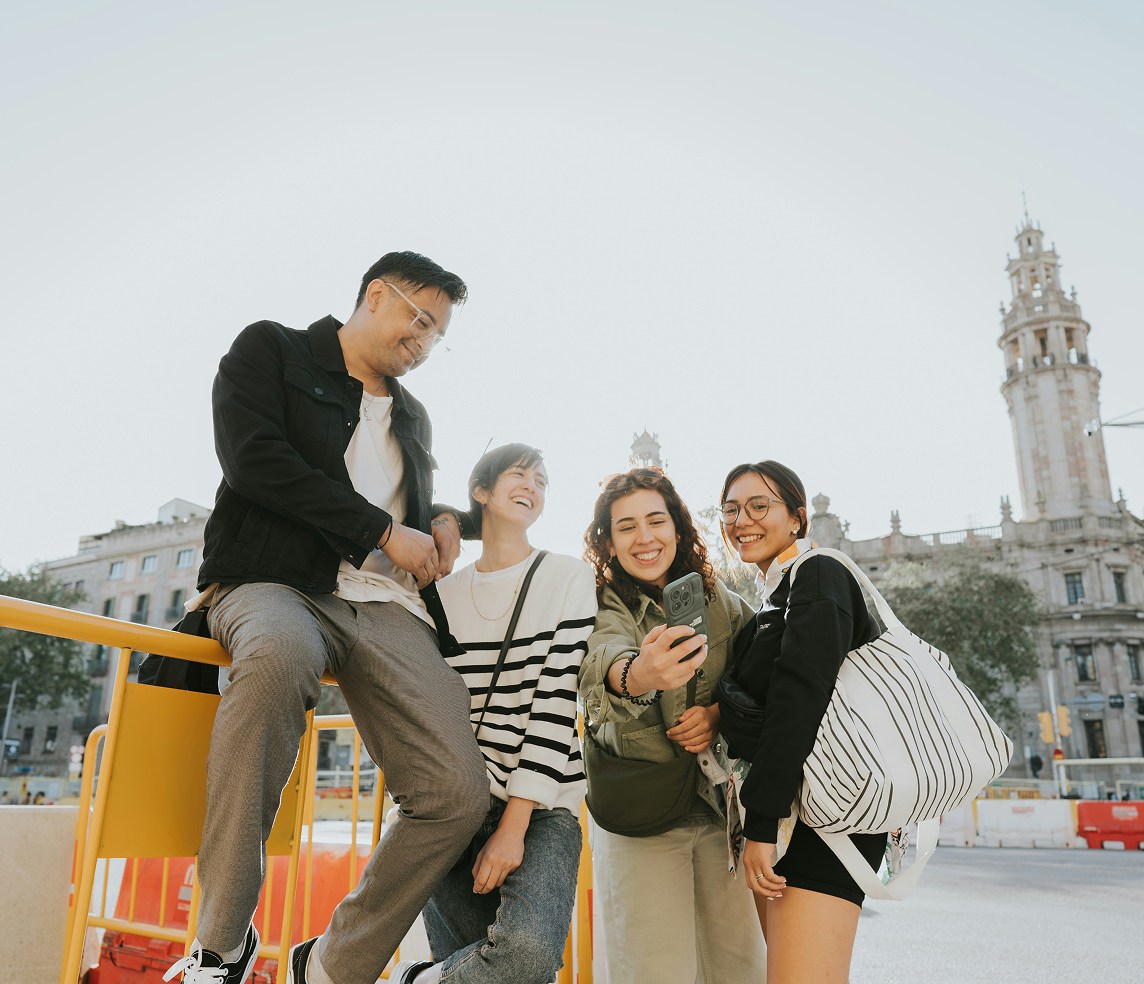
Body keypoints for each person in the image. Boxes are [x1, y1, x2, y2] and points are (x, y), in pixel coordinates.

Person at [165, 252, 490, 984]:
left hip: (380, 604)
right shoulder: (270, 349)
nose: (426, 341)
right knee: (279, 655)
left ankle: (333, 965)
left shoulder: (413, 414)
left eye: (439, 333)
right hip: (270, 579)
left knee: (456, 793)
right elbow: (256, 462)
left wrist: (441, 520)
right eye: (420, 319)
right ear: (376, 294)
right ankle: (219, 947)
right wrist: (381, 531)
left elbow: (413, 504)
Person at [392, 443, 597, 984]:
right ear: (480, 492)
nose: (533, 485)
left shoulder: (569, 578)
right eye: (519, 473)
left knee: (526, 958)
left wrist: (514, 824)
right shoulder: (438, 595)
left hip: (545, 803)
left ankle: (417, 981)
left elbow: (556, 701)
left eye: (543, 479)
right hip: (454, 804)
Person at [578, 468, 765, 984]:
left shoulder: (721, 601)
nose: (645, 537)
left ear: (678, 529)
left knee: (740, 964)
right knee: (653, 967)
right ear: (609, 543)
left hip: (715, 808)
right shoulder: (597, 602)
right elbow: (602, 662)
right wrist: (637, 674)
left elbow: (760, 670)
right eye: (627, 526)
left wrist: (717, 715)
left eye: (656, 520)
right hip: (640, 813)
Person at [718, 460, 887, 984]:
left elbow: (799, 698)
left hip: (822, 821)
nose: (742, 519)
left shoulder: (819, 573)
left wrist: (761, 825)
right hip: (796, 814)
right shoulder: (776, 592)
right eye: (730, 509)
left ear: (797, 517)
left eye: (759, 506)